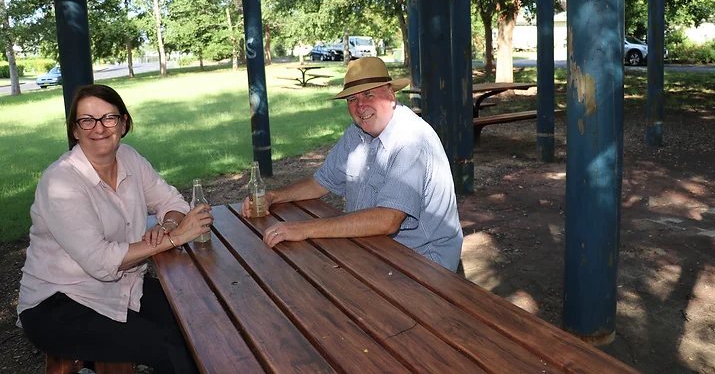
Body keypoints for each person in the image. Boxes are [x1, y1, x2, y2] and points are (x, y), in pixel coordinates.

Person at [17, 84, 212, 374]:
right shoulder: (61, 182)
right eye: (87, 120)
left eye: (108, 118)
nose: (99, 128)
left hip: (125, 285)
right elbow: (99, 262)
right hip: (58, 304)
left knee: (196, 318)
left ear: (123, 123)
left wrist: (168, 224)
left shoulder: (130, 158)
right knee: (167, 346)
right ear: (75, 130)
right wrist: (174, 238)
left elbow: (171, 201)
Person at [242, 57, 463, 271]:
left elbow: (388, 220)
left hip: (424, 262)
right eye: (352, 99)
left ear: (391, 96)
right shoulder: (357, 134)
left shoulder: (410, 141)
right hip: (375, 248)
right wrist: (272, 197)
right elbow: (321, 182)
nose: (360, 107)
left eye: (369, 95)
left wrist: (303, 228)